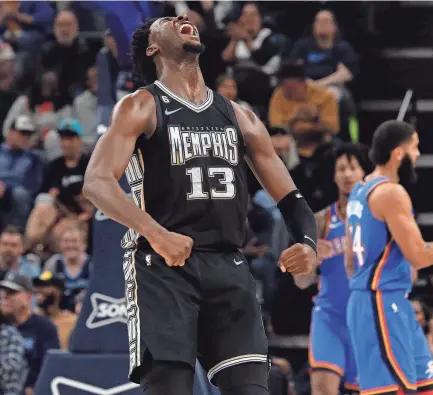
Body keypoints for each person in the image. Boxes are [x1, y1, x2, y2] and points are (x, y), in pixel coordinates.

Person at [83, 14, 318, 395]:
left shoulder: (239, 115)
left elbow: (290, 197)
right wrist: (156, 234)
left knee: (254, 388)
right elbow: (96, 182)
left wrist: (307, 242)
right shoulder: (141, 105)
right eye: (167, 20)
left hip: (229, 263)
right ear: (153, 47)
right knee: (170, 387)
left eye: (184, 16)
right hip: (163, 266)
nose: (181, 17)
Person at [346, 120, 433, 395]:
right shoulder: (391, 193)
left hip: (388, 300)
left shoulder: (360, 190)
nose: (418, 155)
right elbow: (419, 256)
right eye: (415, 148)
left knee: (425, 385)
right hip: (380, 302)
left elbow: (350, 261)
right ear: (398, 154)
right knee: (392, 391)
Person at [294, 143, 372, 395]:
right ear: (333, 175)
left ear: (364, 172)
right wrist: (312, 261)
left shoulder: (378, 218)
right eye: (341, 169)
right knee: (323, 390)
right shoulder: (320, 221)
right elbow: (301, 282)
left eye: (352, 168)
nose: (347, 175)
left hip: (367, 318)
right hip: (330, 317)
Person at [0, 271, 60, 394]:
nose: (4, 296)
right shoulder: (3, 326)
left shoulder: (44, 327)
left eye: (12, 292)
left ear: (28, 297)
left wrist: (36, 386)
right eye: (3, 291)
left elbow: (52, 365)